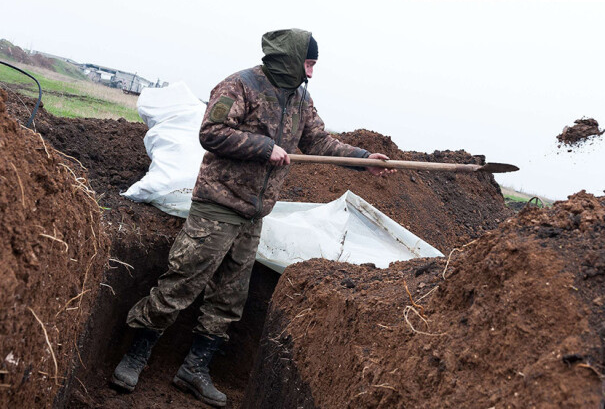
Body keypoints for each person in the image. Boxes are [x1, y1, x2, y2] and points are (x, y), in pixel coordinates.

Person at [110, 28, 393, 407]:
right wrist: (264, 148)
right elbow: (211, 132)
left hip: (253, 215)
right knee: (181, 282)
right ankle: (135, 355)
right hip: (217, 205)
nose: (311, 72)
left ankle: (194, 369)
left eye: (313, 65)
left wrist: (362, 160)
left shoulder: (300, 99)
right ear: (291, 59)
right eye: (308, 63)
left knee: (229, 299)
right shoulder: (240, 86)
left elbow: (319, 142)